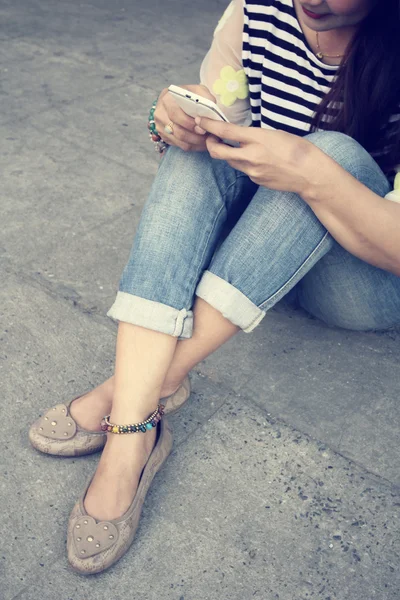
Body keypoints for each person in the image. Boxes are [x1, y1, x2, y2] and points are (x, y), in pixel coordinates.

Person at [29, 0, 400, 575]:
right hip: (264, 247)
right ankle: (134, 436)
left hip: (358, 281)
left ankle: (137, 390)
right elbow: (218, 101)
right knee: (201, 146)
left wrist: (309, 165)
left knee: (330, 156)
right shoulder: (260, 10)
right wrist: (176, 116)